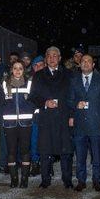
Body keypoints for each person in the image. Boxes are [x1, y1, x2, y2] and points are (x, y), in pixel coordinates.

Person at [29, 46, 74, 188]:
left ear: (60, 58)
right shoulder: (38, 75)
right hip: (46, 118)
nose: (52, 58)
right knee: (45, 151)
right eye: (49, 56)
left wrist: (72, 115)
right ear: (46, 59)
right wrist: (45, 102)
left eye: (55, 56)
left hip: (63, 117)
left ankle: (67, 180)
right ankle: (45, 180)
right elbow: (33, 97)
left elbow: (74, 96)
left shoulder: (69, 74)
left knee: (66, 151)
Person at [68, 54, 100, 191]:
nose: (86, 63)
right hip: (80, 124)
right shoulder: (74, 80)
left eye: (89, 61)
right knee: (80, 156)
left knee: (97, 156)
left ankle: (96, 181)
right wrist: (76, 104)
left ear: (93, 65)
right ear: (79, 64)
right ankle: (81, 181)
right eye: (83, 61)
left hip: (96, 123)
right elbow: (68, 100)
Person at [0, 59, 37, 188]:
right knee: (11, 152)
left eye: (20, 68)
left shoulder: (29, 83)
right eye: (15, 68)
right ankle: (14, 178)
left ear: (24, 70)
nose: (18, 71)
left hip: (26, 123)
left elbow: (34, 100)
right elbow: (0, 102)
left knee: (25, 151)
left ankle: (24, 178)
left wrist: (33, 113)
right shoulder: (5, 83)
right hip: (9, 123)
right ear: (11, 70)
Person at [29, 55, 46, 176]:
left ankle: (46, 164)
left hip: (48, 115)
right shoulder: (29, 80)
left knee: (47, 140)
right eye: (36, 65)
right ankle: (35, 163)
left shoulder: (50, 78)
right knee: (34, 140)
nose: (38, 67)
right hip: (34, 115)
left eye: (40, 65)